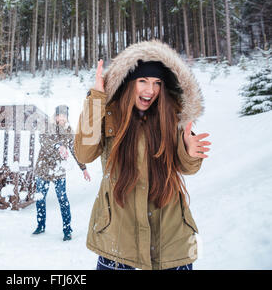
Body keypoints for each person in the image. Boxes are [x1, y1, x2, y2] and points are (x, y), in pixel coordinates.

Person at [74, 39, 211, 270]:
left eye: (157, 82)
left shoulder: (172, 117)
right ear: (128, 83)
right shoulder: (109, 116)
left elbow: (189, 168)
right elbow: (84, 153)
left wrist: (190, 152)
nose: (151, 90)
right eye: (143, 81)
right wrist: (96, 98)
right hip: (117, 237)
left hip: (171, 239)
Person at [33, 105, 91, 241]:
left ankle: (67, 229)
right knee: (40, 198)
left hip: (59, 170)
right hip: (43, 169)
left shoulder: (69, 131)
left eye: (65, 116)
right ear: (56, 116)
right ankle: (40, 225)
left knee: (63, 200)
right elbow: (44, 141)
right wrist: (58, 146)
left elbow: (74, 150)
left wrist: (83, 168)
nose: (63, 118)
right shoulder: (47, 127)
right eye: (60, 115)